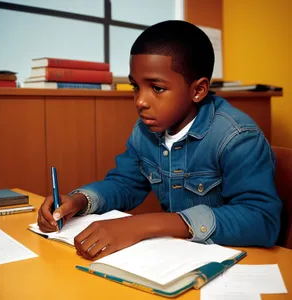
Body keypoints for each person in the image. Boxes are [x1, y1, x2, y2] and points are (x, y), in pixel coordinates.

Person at [38, 20, 282, 260]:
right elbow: (125, 184)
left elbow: (262, 220)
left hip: (232, 261)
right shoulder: (145, 131)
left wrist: (148, 224)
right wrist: (79, 201)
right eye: (136, 87)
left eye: (156, 88)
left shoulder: (237, 137)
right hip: (178, 256)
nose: (140, 101)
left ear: (198, 90)